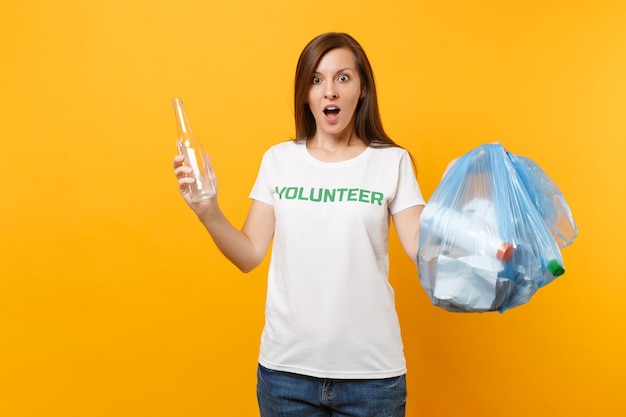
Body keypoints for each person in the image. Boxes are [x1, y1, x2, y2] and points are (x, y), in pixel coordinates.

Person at [173, 32, 425, 417]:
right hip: (285, 376)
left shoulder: (392, 162)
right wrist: (208, 211)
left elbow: (423, 246)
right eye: (317, 79)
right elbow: (249, 254)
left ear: (362, 89)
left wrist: (485, 246)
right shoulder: (279, 161)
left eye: (343, 78)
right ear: (305, 93)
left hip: (372, 378)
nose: (330, 91)